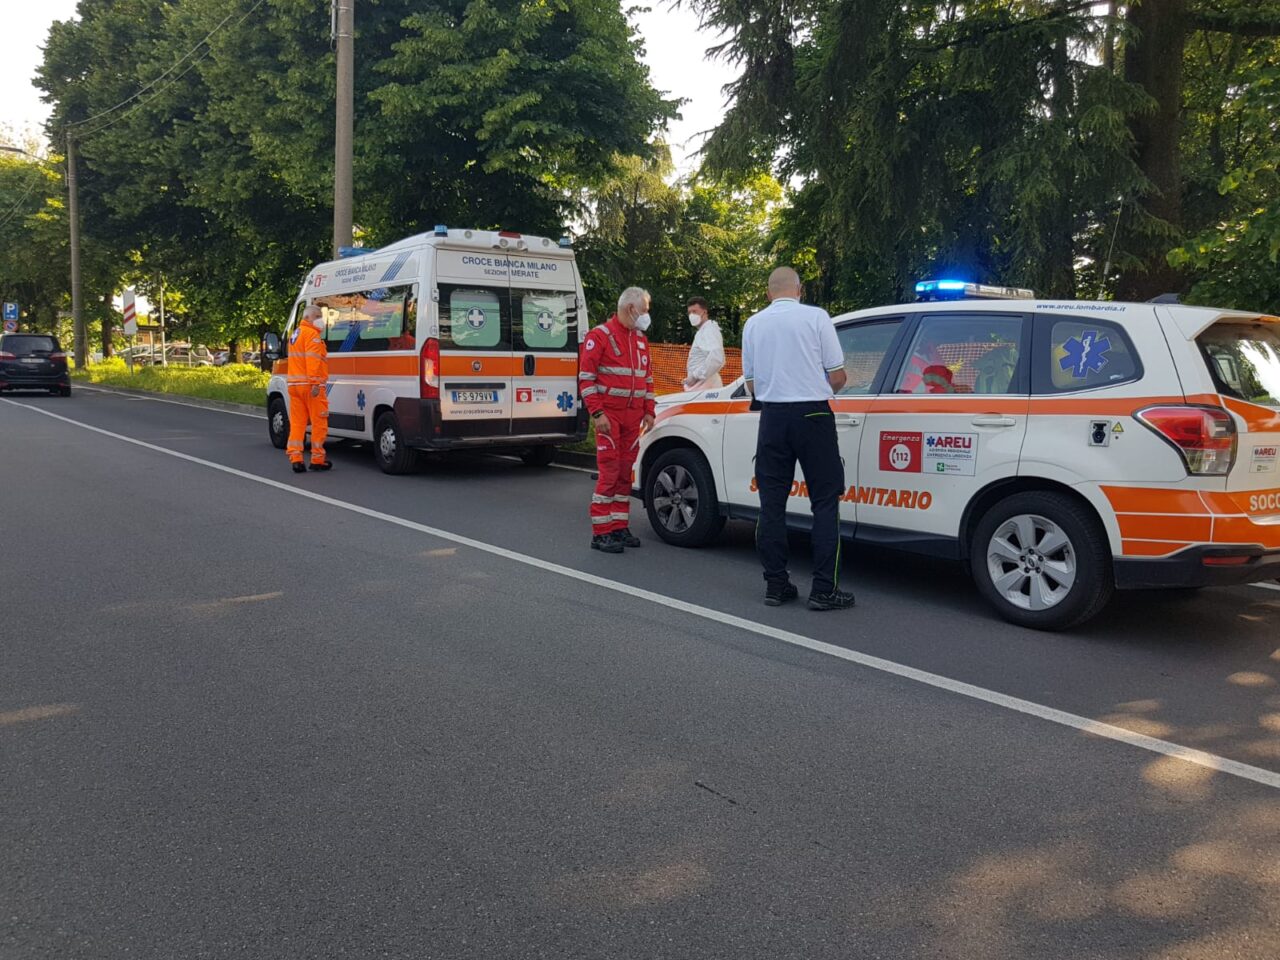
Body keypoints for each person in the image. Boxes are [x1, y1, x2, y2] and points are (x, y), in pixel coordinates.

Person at [741, 267, 855, 610]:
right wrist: (815, 388)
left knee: (771, 503)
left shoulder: (753, 324)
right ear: (800, 290)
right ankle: (823, 590)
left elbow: (751, 385)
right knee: (824, 501)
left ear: (768, 293)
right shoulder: (817, 318)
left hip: (773, 418)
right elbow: (838, 376)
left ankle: (776, 585)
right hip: (814, 416)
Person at [579, 287, 657, 553]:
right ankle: (601, 533)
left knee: (625, 474)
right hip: (609, 417)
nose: (647, 316)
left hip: (633, 417)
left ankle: (618, 527)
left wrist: (649, 410)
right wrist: (597, 413)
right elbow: (586, 379)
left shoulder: (640, 340)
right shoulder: (599, 336)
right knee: (610, 473)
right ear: (630, 309)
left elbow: (647, 379)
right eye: (644, 311)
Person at [286, 305, 332, 473]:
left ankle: (296, 458)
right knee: (319, 422)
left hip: (294, 385)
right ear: (307, 318)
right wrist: (314, 383)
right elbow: (312, 361)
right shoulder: (312, 335)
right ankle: (317, 460)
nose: (321, 319)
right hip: (310, 386)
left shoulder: (295, 334)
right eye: (318, 316)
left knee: (297, 423)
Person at [683, 296, 725, 391]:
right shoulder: (703, 331)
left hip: (705, 389)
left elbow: (717, 357)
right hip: (701, 387)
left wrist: (695, 376)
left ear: (704, 312)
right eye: (689, 313)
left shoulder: (709, 330)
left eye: (694, 311)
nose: (691, 315)